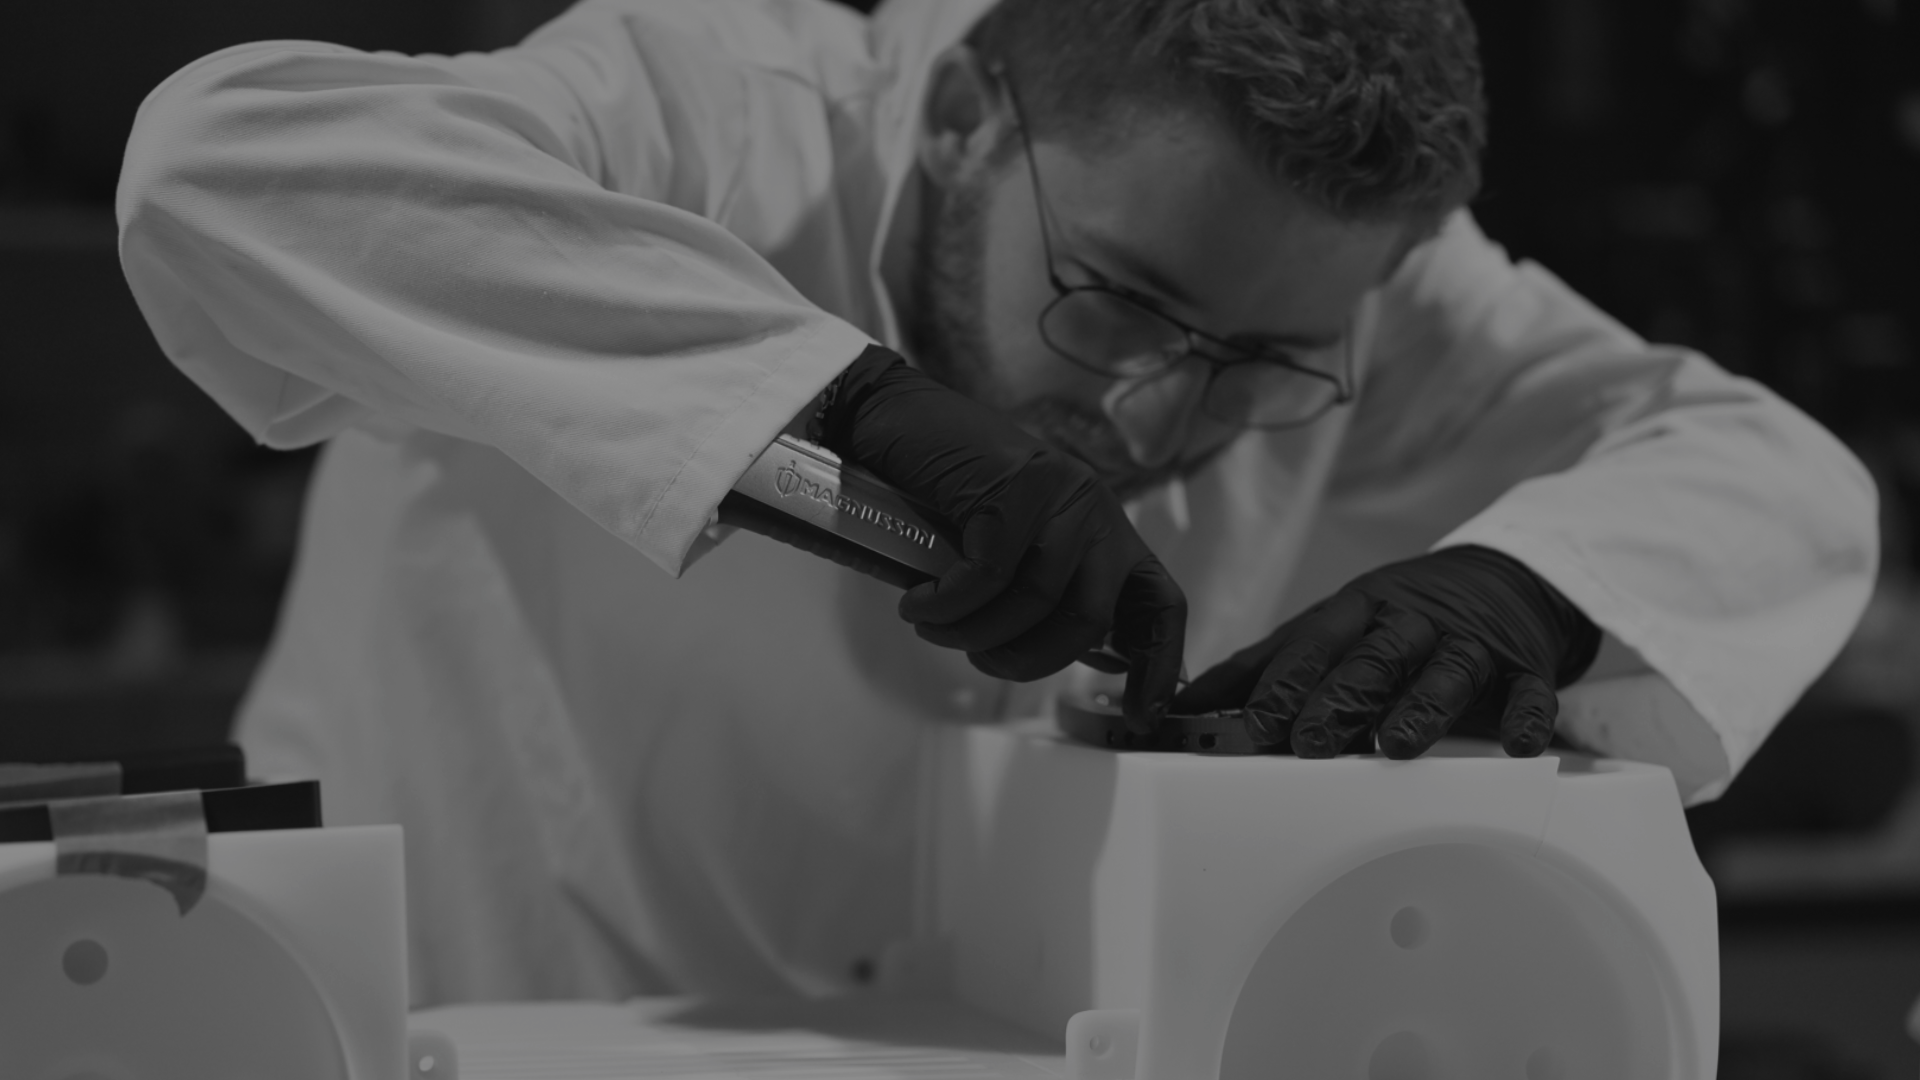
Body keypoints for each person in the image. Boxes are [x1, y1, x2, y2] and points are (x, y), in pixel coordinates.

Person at [116, 0, 1877, 1006]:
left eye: (1263, 359)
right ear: (961, 116)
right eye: (1112, 298)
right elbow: (223, 162)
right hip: (465, 1016)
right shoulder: (714, 116)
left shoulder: (1385, 306)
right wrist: (834, 403)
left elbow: (1772, 475)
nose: (1159, 414)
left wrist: (1523, 588)